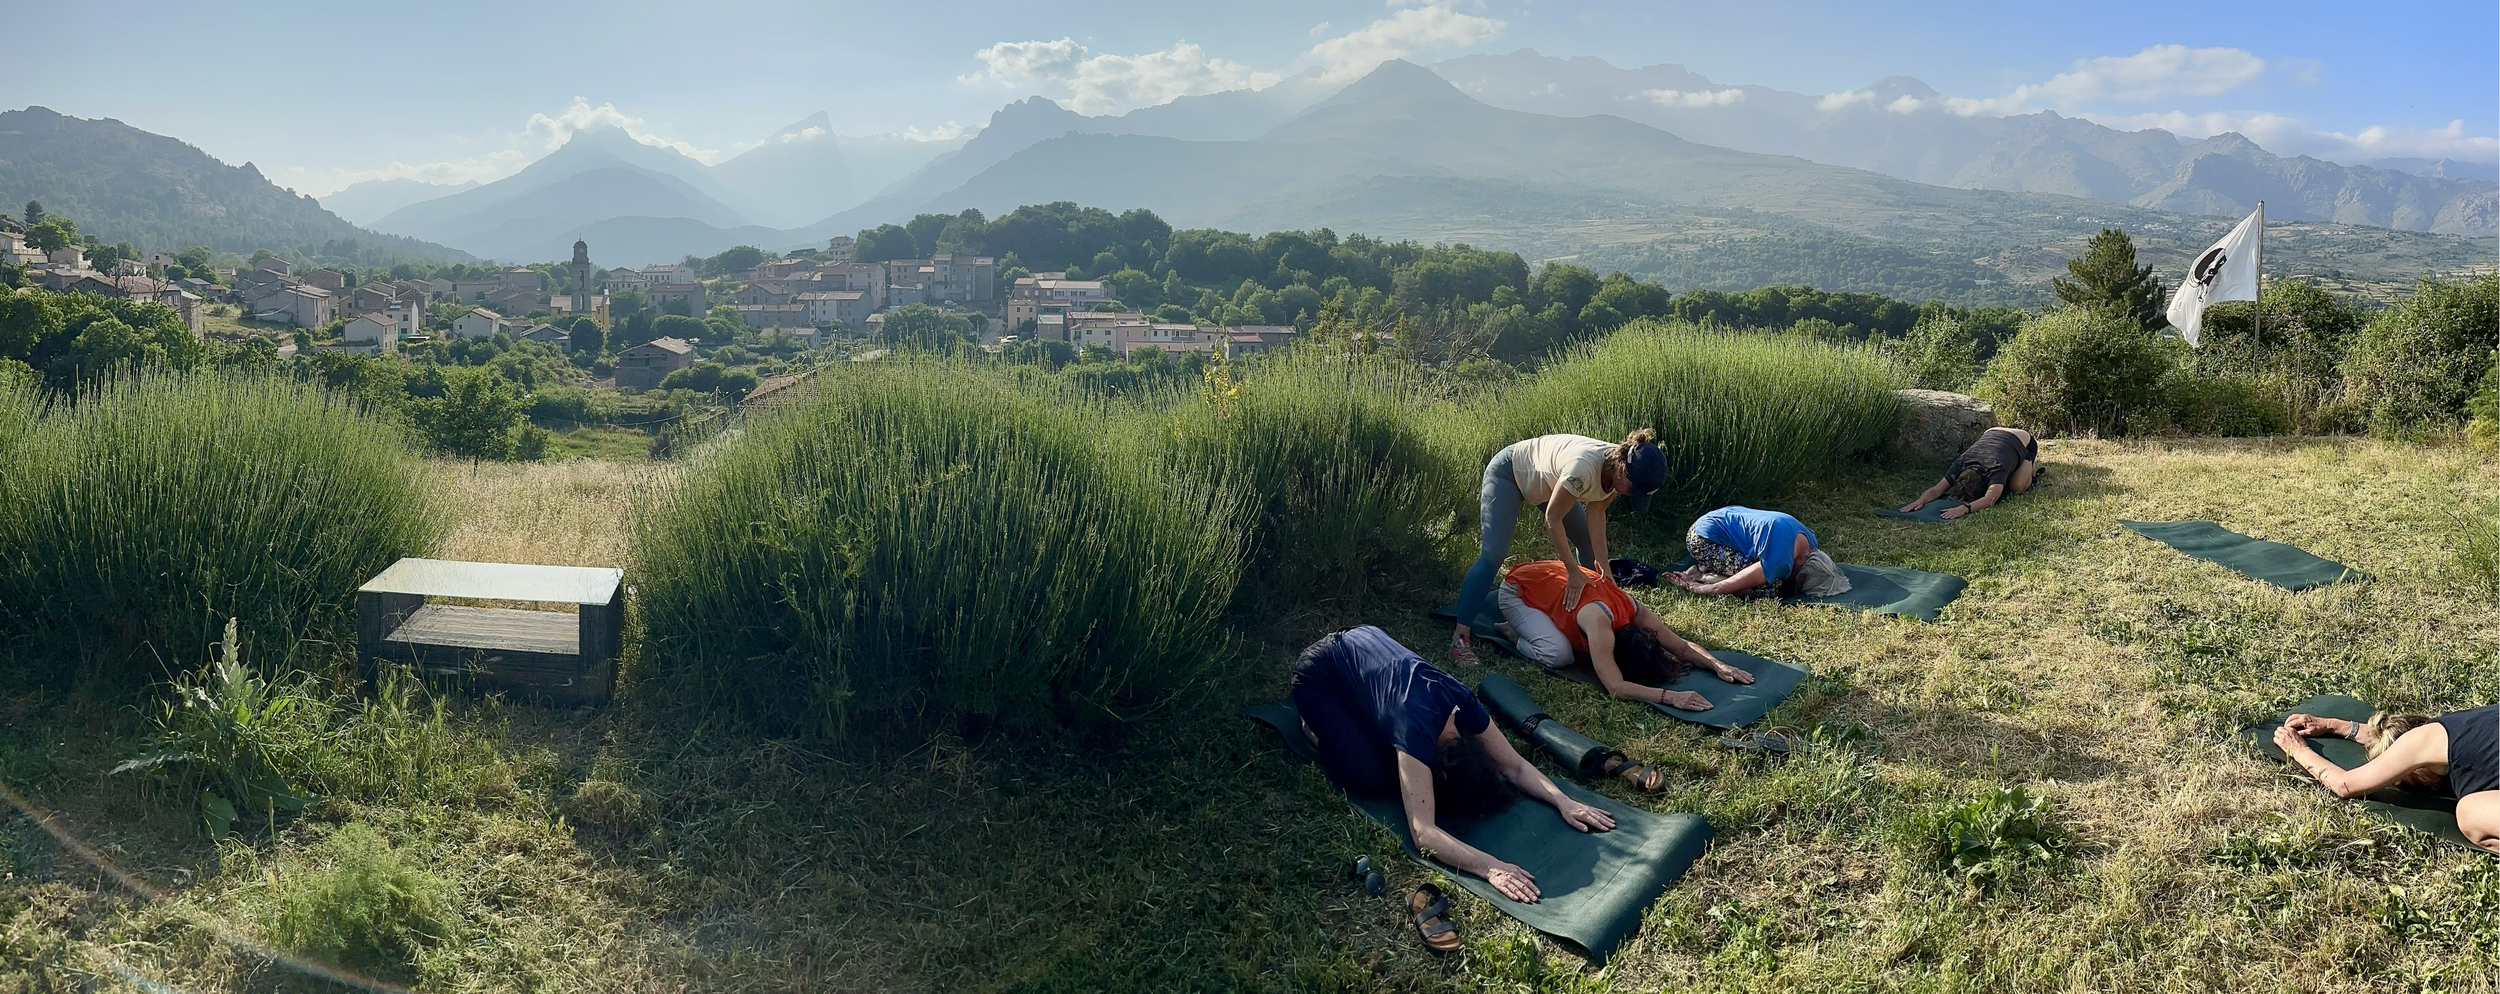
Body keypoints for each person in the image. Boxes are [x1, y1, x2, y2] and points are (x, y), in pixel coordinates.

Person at [1291, 625, 1617, 910]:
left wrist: (1563, 801)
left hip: (1366, 641)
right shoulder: (1413, 728)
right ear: (1440, 774)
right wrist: (1490, 867)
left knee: (1386, 750)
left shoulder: (1463, 705)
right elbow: (1423, 832)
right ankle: (1316, 730)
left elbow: (1514, 766)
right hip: (1317, 675)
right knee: (1373, 776)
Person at [1451, 430, 1670, 664]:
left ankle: (1586, 621)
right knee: (1493, 554)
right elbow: (1552, 520)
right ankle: (1460, 638)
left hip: (1548, 481)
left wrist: (1603, 566)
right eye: (1631, 487)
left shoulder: (1617, 471)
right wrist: (1573, 571)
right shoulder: (1584, 469)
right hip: (1510, 472)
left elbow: (1596, 513)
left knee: (1587, 545)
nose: (1628, 493)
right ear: (1620, 470)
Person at [1495, 560, 1754, 712]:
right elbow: (1616, 688)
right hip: (1518, 590)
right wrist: (1671, 697)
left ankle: (1541, 620)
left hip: (1551, 579)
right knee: (1559, 654)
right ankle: (1512, 631)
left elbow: (1681, 646)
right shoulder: (1599, 627)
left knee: (1567, 644)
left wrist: (1718, 665)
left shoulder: (1633, 609)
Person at [2273, 705, 2498, 854]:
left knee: (2471, 815)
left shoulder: (2419, 743)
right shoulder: (2450, 725)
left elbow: (2345, 784)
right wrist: (2335, 725)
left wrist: (2299, 750)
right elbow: (2391, 735)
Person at [1667, 505, 1850, 599]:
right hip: (1701, 538)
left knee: (1769, 578)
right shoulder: (1780, 560)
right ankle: (1703, 574)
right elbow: (1730, 585)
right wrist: (1702, 587)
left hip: (1718, 519)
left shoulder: (1810, 541)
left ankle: (1706, 568)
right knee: (1768, 589)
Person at [1898, 426, 2039, 521]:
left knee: (2017, 487)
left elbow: (1990, 499)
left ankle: (2029, 463)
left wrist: (1966, 508)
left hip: (2024, 440)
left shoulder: (1996, 469)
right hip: (1991, 433)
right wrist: (1920, 500)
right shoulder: (1961, 463)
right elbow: (1937, 489)